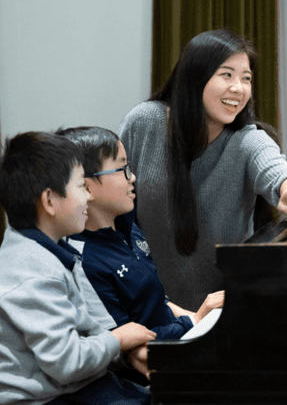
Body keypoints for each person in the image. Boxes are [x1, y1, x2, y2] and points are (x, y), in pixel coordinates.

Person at [118, 28, 287, 308]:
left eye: (246, 78)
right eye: (227, 75)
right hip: (147, 308)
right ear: (195, 77)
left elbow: (277, 169)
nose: (238, 88)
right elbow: (111, 200)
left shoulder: (247, 140)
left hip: (221, 311)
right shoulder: (144, 123)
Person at [0, 131, 154, 404]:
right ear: (49, 201)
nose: (87, 197)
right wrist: (118, 341)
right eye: (81, 186)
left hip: (82, 385)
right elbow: (67, 363)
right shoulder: (31, 274)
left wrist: (127, 352)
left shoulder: (52, 251)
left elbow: (89, 329)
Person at [58, 126, 224, 341]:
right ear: (86, 187)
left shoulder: (127, 226)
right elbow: (124, 347)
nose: (133, 177)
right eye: (122, 169)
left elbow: (157, 303)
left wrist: (199, 319)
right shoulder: (83, 262)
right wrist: (195, 320)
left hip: (177, 337)